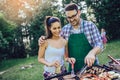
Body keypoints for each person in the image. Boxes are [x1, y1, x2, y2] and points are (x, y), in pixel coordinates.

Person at [39, 3, 103, 72]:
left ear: (79, 12)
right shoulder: (65, 30)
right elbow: (54, 39)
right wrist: (43, 39)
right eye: (69, 17)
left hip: (92, 67)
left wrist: (92, 53)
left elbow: (99, 44)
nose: (72, 19)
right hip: (73, 70)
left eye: (73, 16)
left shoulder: (90, 26)